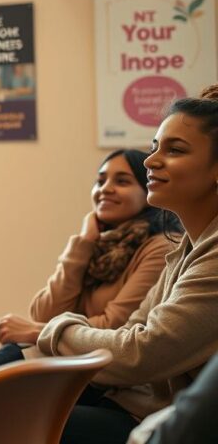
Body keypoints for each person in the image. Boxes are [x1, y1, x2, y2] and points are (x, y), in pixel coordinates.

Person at [35, 85, 218, 444]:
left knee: (22, 415)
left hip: (160, 415)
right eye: (153, 148)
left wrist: (55, 330)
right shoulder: (183, 248)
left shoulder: (165, 248)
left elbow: (140, 350)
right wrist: (83, 245)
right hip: (132, 397)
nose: (150, 161)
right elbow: (127, 329)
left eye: (175, 150)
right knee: (17, 377)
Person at [0, 149, 177, 374]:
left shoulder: (161, 247)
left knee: (15, 354)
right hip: (79, 363)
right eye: (100, 181)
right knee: (16, 356)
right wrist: (83, 242)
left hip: (113, 377)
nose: (105, 189)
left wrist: (36, 331)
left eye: (122, 181)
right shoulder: (96, 245)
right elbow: (45, 315)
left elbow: (116, 327)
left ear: (147, 191)